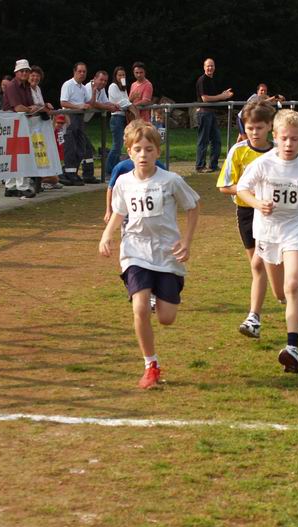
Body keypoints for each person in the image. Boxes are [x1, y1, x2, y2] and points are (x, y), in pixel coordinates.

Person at [99, 120, 200, 389]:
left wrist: (186, 241)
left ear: (158, 151)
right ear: (129, 152)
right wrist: (107, 235)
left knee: (166, 318)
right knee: (140, 307)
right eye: (138, 149)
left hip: (166, 253)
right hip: (135, 250)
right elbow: (119, 212)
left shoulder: (171, 181)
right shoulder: (123, 182)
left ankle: (160, 294)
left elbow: (193, 207)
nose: (143, 154)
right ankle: (150, 365)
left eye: (149, 149)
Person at [237, 109, 298, 373]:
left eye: (294, 139)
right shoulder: (263, 164)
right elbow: (242, 189)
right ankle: (269, 315)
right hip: (268, 231)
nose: (289, 144)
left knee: (292, 284)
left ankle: (293, 348)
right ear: (275, 136)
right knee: (279, 293)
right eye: (284, 138)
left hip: (296, 229)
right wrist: (258, 203)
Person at [217, 100, 285, 339]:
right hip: (247, 212)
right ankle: (257, 315)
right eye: (249, 128)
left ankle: (275, 300)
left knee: (268, 263)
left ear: (269, 126)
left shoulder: (280, 150)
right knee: (257, 265)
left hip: (274, 213)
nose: (254, 132)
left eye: (259, 127)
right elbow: (224, 186)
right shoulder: (238, 151)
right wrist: (248, 192)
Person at [2, 59, 37, 199]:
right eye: (22, 71)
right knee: (18, 155)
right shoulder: (12, 86)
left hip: (19, 123)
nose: (24, 73)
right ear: (16, 72)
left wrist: (29, 109)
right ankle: (21, 186)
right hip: (12, 122)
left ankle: (11, 186)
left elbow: (30, 105)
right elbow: (18, 108)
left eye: (26, 71)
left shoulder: (26, 86)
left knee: (15, 155)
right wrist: (29, 109)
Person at [59, 62, 97, 185]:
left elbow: (89, 103)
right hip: (70, 117)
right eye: (80, 71)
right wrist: (78, 106)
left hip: (80, 118)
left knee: (81, 147)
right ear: (74, 72)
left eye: (84, 72)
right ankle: (69, 173)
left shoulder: (83, 88)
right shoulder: (68, 85)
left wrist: (94, 92)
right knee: (71, 147)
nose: (82, 74)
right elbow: (63, 102)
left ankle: (72, 172)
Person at [195, 58, 233, 173]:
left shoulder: (212, 80)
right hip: (204, 113)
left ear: (215, 67)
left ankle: (213, 165)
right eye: (208, 66)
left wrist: (223, 94)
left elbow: (214, 97)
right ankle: (200, 166)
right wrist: (222, 97)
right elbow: (205, 98)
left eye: (212, 66)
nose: (210, 68)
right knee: (203, 140)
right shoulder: (202, 80)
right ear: (204, 67)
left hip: (211, 113)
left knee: (216, 140)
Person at [106, 66, 138, 177]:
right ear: (115, 76)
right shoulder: (113, 86)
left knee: (119, 145)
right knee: (117, 145)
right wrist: (131, 106)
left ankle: (115, 169)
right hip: (116, 118)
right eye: (119, 75)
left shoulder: (123, 87)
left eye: (123, 75)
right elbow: (121, 102)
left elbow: (125, 101)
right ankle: (109, 170)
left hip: (123, 117)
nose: (121, 77)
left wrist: (130, 101)